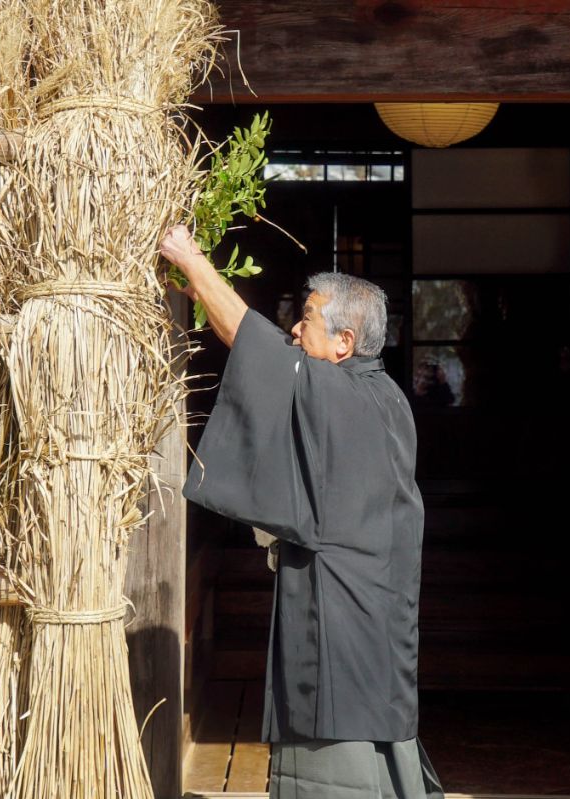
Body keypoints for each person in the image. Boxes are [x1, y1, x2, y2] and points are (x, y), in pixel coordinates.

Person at [160, 224, 443, 799]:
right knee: (375, 718)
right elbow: (263, 360)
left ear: (342, 341)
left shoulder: (342, 396)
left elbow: (255, 347)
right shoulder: (381, 396)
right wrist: (205, 292)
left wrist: (192, 260)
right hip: (375, 605)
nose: (294, 328)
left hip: (341, 607)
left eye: (306, 319)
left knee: (336, 723)